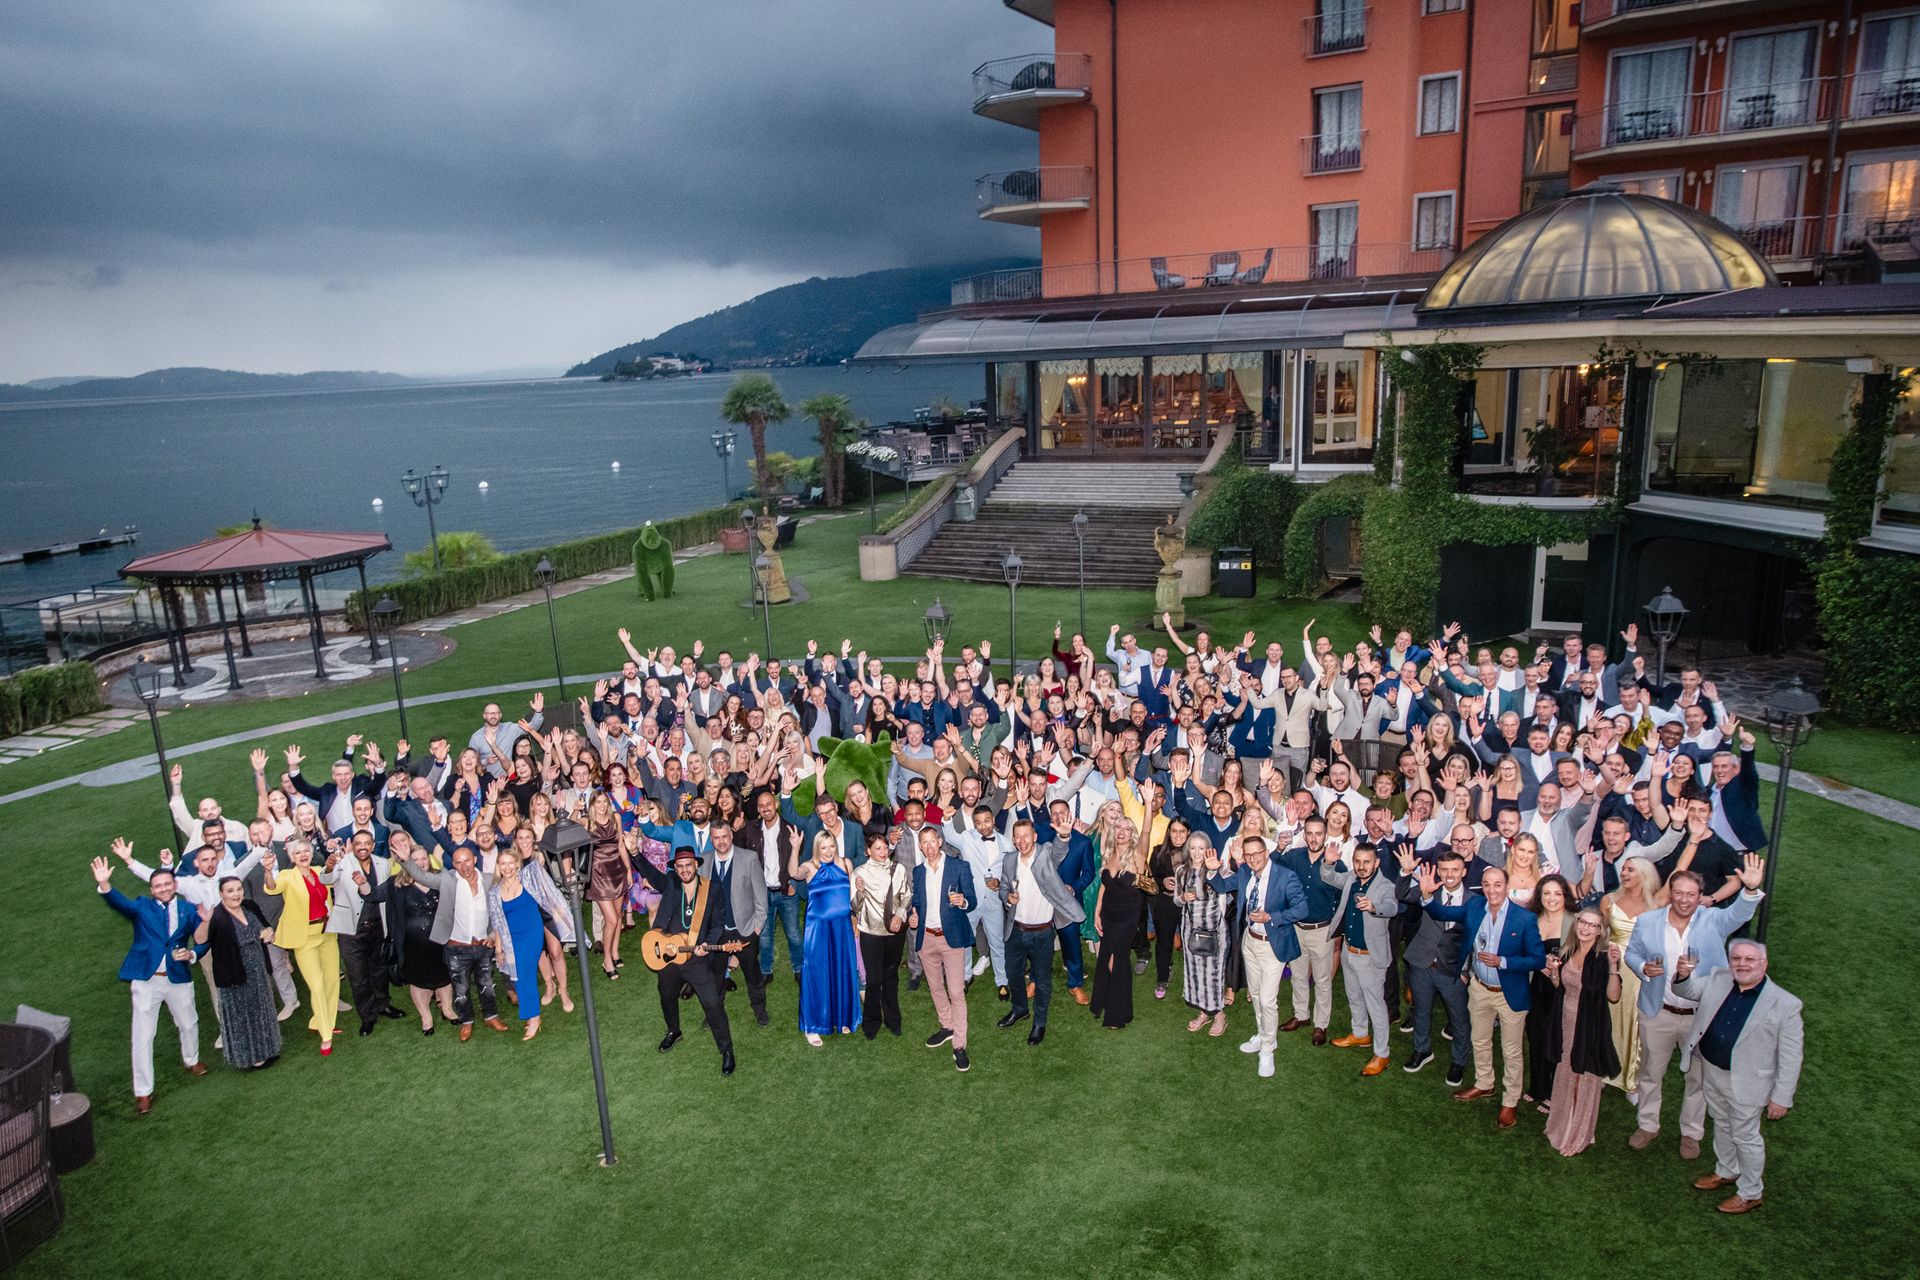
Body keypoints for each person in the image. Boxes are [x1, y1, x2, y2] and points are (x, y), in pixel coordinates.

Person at [1623, 855, 1767, 1159]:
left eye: (1691, 894)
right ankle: (1648, 1124)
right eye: (1679, 893)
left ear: (1700, 896)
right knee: (1651, 1073)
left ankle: (1691, 1132)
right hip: (1657, 1011)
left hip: (1700, 1017)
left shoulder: (1712, 920)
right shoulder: (1648, 921)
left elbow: (1739, 913)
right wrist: (1642, 967)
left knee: (1698, 1078)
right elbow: (1631, 953)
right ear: (1670, 893)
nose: (1685, 900)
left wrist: (1750, 890)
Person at [1676, 940, 1803, 1215]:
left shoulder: (1786, 1004)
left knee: (1746, 1136)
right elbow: (1684, 990)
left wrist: (1781, 1098)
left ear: (1764, 964)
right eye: (1737, 958)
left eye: (1750, 959)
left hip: (1749, 1082)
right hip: (1712, 1070)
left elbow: (1791, 1057)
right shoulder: (1719, 979)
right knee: (1721, 1123)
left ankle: (1750, 1192)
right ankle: (1727, 1170)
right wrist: (1683, 975)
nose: (1742, 964)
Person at [1423, 865, 1545, 1129]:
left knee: (1512, 1052)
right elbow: (1441, 911)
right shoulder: (1475, 907)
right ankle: (1484, 1083)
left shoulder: (1524, 919)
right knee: (1479, 1040)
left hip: (1509, 994)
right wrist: (1426, 895)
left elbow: (1537, 958)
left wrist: (1502, 961)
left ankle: (1510, 1101)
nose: (1491, 890)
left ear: (1506, 886)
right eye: (1487, 884)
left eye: (1497, 884)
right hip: (1479, 989)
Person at [92, 852, 206, 1113]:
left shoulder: (190, 910)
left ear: (175, 885)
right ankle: (143, 1092)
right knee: (143, 1036)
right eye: (158, 886)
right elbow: (120, 904)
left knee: (189, 1023)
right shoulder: (142, 906)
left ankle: (192, 1060)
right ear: (151, 890)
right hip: (146, 981)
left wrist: (191, 954)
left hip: (178, 978)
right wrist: (105, 885)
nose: (164, 889)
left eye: (167, 884)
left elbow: (203, 940)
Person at [1206, 835, 1308, 1079]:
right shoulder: (1244, 873)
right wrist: (1212, 871)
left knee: (1268, 1000)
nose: (1252, 859)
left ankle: (1267, 1049)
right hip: (1250, 942)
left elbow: (1301, 909)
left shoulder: (1285, 876)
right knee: (1255, 994)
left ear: (1266, 852)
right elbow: (1221, 886)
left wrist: (1272, 917)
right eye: (1248, 854)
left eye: (1256, 853)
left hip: (1273, 946)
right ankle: (1264, 1035)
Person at [636, 846, 736, 1075]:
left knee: (712, 1003)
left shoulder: (712, 889)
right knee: (666, 994)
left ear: (696, 865)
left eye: (688, 865)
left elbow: (719, 923)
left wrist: (707, 943)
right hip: (668, 957)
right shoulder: (671, 884)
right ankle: (674, 1031)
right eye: (679, 866)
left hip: (695, 960)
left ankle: (727, 1050)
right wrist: (634, 854)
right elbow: (650, 873)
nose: (684, 870)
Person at [404, 845, 511, 1042]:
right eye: (459, 862)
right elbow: (423, 877)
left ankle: (491, 1016)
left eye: (467, 860)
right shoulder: (447, 880)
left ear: (475, 860)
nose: (464, 866)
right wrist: (406, 860)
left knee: (486, 984)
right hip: (456, 947)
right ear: (453, 865)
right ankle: (466, 1022)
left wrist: (493, 936)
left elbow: (498, 910)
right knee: (460, 990)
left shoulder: (489, 880)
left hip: (483, 945)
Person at [995, 818, 1086, 1046]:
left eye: (1027, 836)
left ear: (1034, 836)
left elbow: (1058, 850)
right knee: (1013, 974)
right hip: (1015, 931)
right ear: (1013, 840)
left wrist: (1064, 836)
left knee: (1042, 980)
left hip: (1042, 933)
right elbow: (1004, 886)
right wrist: (1007, 896)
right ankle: (1019, 1009)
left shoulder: (1045, 854)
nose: (1022, 841)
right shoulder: (1009, 860)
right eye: (1018, 837)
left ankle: (1040, 1023)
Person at [1542, 909, 1622, 1156]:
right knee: (1566, 1073)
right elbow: (1562, 988)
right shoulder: (1569, 949)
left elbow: (1613, 996)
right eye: (1583, 923)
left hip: (1590, 1026)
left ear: (1601, 931)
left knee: (1583, 1077)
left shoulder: (1602, 957)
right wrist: (1554, 973)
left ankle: (1578, 1133)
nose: (1586, 928)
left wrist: (1613, 967)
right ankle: (1562, 1124)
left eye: (1593, 925)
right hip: (1565, 1021)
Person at [260, 836, 344, 1057]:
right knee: (316, 985)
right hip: (304, 936)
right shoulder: (287, 876)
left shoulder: (319, 870)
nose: (303, 855)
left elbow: (333, 881)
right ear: (292, 857)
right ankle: (326, 1035)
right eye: (298, 853)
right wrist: (268, 871)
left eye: (306, 851)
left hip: (327, 931)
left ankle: (322, 1021)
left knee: (332, 979)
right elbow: (272, 888)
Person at [1320, 842, 1399, 1076]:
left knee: (1376, 1005)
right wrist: (1328, 862)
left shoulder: (1385, 886)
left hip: (1370, 958)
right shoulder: (1352, 878)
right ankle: (1360, 1033)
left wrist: (1374, 907)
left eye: (1366, 862)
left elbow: (1392, 907)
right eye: (1357, 861)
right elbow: (1328, 878)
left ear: (1376, 863)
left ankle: (1382, 1054)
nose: (1361, 866)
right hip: (1348, 951)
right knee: (1353, 996)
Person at [363, 841, 456, 1035]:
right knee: (418, 979)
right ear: (406, 861)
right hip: (411, 945)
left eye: (424, 858)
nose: (421, 863)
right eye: (416, 860)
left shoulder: (441, 878)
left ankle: (447, 1009)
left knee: (444, 976)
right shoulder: (396, 883)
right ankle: (426, 1017)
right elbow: (372, 895)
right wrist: (363, 884)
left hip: (441, 941)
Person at [192, 875, 283, 1069]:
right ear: (221, 894)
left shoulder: (250, 906)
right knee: (243, 1016)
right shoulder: (216, 916)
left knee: (262, 1010)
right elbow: (200, 940)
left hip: (258, 969)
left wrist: (270, 933)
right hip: (234, 974)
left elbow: (266, 926)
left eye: (239, 889)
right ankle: (250, 1058)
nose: (236, 894)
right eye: (230, 891)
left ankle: (268, 1050)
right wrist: (206, 921)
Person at [909, 825, 976, 1072]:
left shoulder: (959, 867)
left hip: (952, 939)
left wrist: (963, 901)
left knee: (956, 992)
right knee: (936, 987)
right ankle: (947, 1026)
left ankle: (959, 1045)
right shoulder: (918, 872)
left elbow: (972, 901)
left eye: (931, 841)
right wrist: (913, 916)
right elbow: (916, 903)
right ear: (920, 846)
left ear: (939, 841)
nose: (928, 847)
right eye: (923, 843)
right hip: (927, 939)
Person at [788, 831, 862, 1044]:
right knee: (817, 973)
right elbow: (794, 873)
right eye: (824, 848)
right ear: (817, 849)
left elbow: (850, 897)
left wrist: (854, 918)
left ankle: (843, 1017)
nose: (828, 851)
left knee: (843, 970)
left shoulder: (846, 864)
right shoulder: (811, 867)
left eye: (831, 846)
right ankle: (812, 1026)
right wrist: (794, 847)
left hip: (842, 928)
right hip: (818, 929)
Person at [704, 822, 771, 1027]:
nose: (721, 841)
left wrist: (756, 929)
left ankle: (759, 1009)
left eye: (724, 836)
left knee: (753, 973)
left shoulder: (749, 858)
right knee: (715, 976)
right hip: (717, 933)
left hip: (745, 929)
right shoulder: (704, 862)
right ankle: (714, 1013)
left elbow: (761, 898)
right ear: (711, 839)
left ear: (731, 835)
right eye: (716, 838)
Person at [1090, 815, 1151, 1030]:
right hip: (1108, 914)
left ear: (1131, 833)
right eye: (1118, 827)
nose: (1122, 832)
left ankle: (1118, 1013)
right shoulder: (1109, 854)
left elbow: (1146, 833)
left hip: (1127, 916)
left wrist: (1148, 803)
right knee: (1107, 957)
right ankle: (1107, 1001)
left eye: (1127, 828)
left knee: (1118, 958)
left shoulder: (1138, 855)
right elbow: (1104, 887)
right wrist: (1097, 913)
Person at [852, 833, 912, 1039]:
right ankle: (871, 1021)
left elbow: (907, 895)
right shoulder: (860, 873)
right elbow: (854, 906)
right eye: (877, 848)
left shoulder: (899, 869)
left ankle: (893, 1020)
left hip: (894, 932)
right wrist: (860, 892)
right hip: (871, 932)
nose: (883, 852)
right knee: (874, 979)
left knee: (890, 976)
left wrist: (900, 914)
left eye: (885, 847)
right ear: (868, 851)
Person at [1175, 833, 1230, 1037]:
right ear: (1188, 849)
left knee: (1213, 974)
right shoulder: (1182, 871)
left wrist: (1216, 870)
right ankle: (1203, 1013)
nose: (1197, 853)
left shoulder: (1216, 868)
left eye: (1201, 848)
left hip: (1215, 931)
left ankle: (1219, 1015)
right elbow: (1176, 901)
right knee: (1194, 973)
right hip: (1190, 930)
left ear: (1208, 848)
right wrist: (1182, 897)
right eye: (1193, 848)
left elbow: (1230, 886)